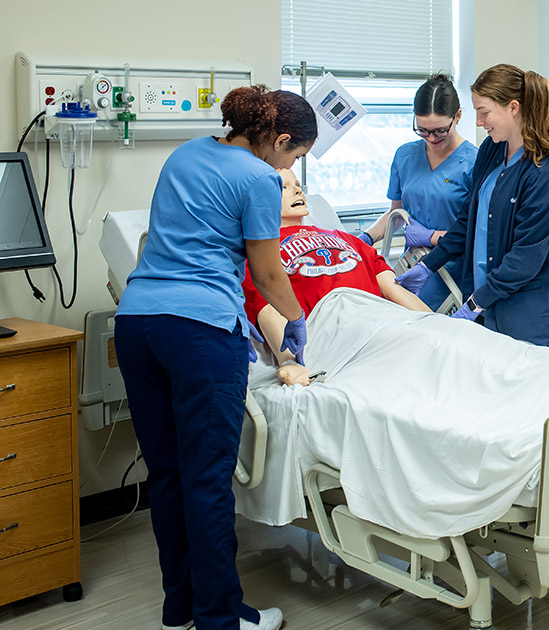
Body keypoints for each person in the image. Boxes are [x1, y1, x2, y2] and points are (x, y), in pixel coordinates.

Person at [113, 86, 316, 630]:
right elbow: (268, 273)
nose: (290, 168)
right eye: (295, 157)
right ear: (278, 140)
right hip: (199, 332)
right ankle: (223, 620)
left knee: (168, 476)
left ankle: (179, 609)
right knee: (206, 480)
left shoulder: (185, 153)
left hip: (137, 325)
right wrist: (295, 318)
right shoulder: (258, 178)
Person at [395, 63, 549, 347]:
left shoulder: (547, 171)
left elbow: (525, 259)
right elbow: (469, 221)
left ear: (513, 108)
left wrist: (474, 304)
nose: (478, 122)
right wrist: (429, 265)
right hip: (485, 308)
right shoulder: (493, 149)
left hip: (526, 318)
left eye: (484, 112)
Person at [244, 168, 431, 385]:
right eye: (284, 187)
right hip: (334, 331)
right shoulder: (260, 253)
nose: (297, 191)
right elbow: (268, 308)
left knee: (440, 344)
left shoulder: (347, 239)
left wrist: (437, 323)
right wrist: (289, 362)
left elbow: (393, 288)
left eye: (297, 184)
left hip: (383, 320)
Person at [358, 74, 478, 310]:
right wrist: (365, 239)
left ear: (458, 116)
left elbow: (475, 234)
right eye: (422, 130)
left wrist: (431, 235)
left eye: (440, 131)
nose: (431, 138)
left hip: (453, 272)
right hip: (411, 268)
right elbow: (397, 213)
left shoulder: (474, 163)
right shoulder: (405, 156)